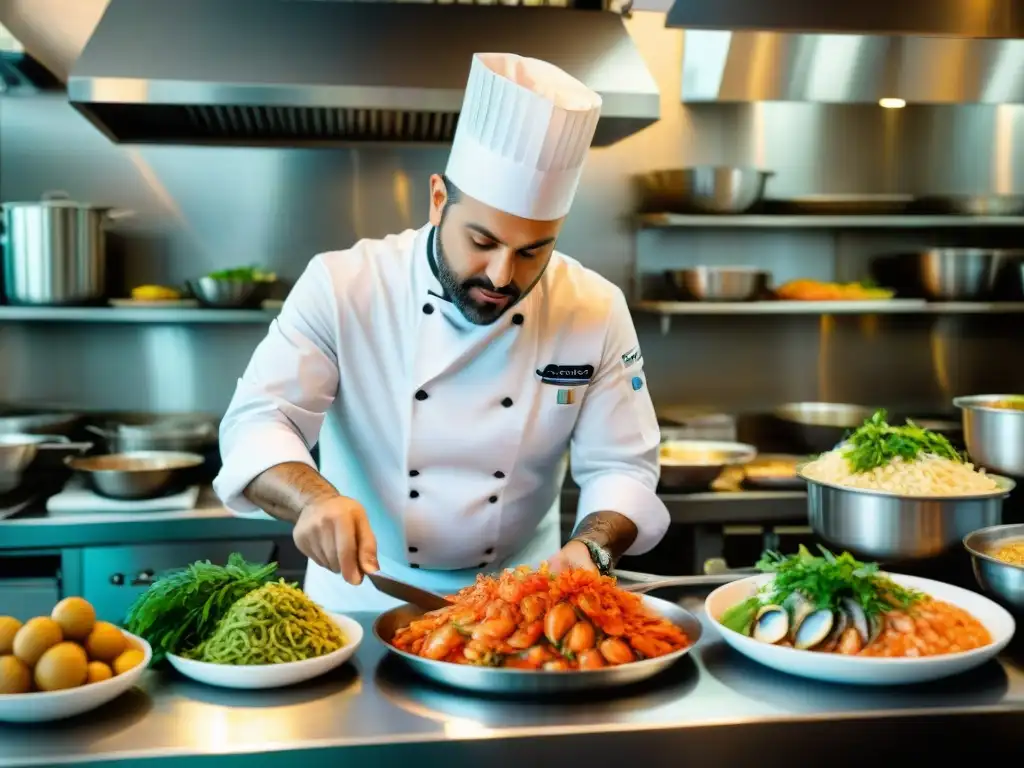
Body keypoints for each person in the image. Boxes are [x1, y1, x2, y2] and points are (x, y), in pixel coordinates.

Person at [213, 52, 669, 612]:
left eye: (533, 251)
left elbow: (622, 466)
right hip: (364, 596)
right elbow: (260, 418)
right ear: (436, 200)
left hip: (523, 600)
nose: (503, 276)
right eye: (482, 242)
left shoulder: (593, 307)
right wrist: (313, 501)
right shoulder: (345, 284)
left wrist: (593, 551)